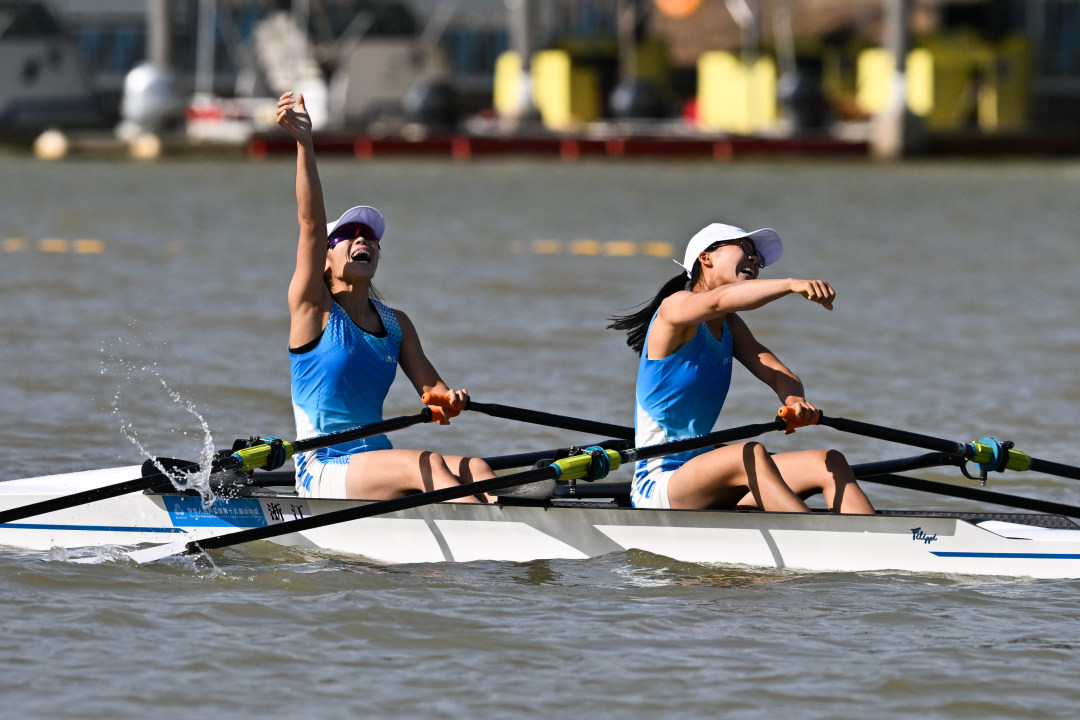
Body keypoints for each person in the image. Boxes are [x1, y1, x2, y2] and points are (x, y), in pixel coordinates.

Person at [277, 90, 495, 501]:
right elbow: (309, 223)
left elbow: (435, 394)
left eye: (370, 237)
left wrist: (451, 400)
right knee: (427, 463)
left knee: (480, 468)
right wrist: (305, 145)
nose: (363, 239)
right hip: (322, 467)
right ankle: (484, 554)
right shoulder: (312, 309)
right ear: (324, 260)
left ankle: (509, 538)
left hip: (375, 461)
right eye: (346, 235)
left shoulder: (397, 324)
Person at [608, 222, 875, 514]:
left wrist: (794, 400)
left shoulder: (730, 325)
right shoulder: (676, 308)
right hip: (660, 482)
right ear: (706, 257)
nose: (754, 259)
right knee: (749, 454)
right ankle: (817, 545)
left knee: (828, 462)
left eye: (757, 257)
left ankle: (873, 544)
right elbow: (718, 301)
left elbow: (777, 373)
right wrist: (790, 284)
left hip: (703, 471)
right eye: (745, 248)